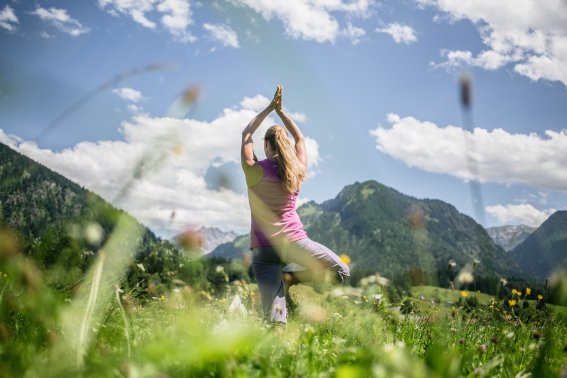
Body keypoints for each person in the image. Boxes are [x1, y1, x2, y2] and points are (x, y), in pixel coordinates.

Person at [240, 85, 350, 324]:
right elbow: (300, 138)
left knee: (274, 317)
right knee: (341, 271)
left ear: (268, 146)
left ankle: (277, 350)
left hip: (263, 249)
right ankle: (291, 278)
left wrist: (269, 108)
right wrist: (281, 112)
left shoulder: (254, 171)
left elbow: (245, 135)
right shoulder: (297, 170)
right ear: (285, 146)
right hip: (294, 242)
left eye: (265, 145)